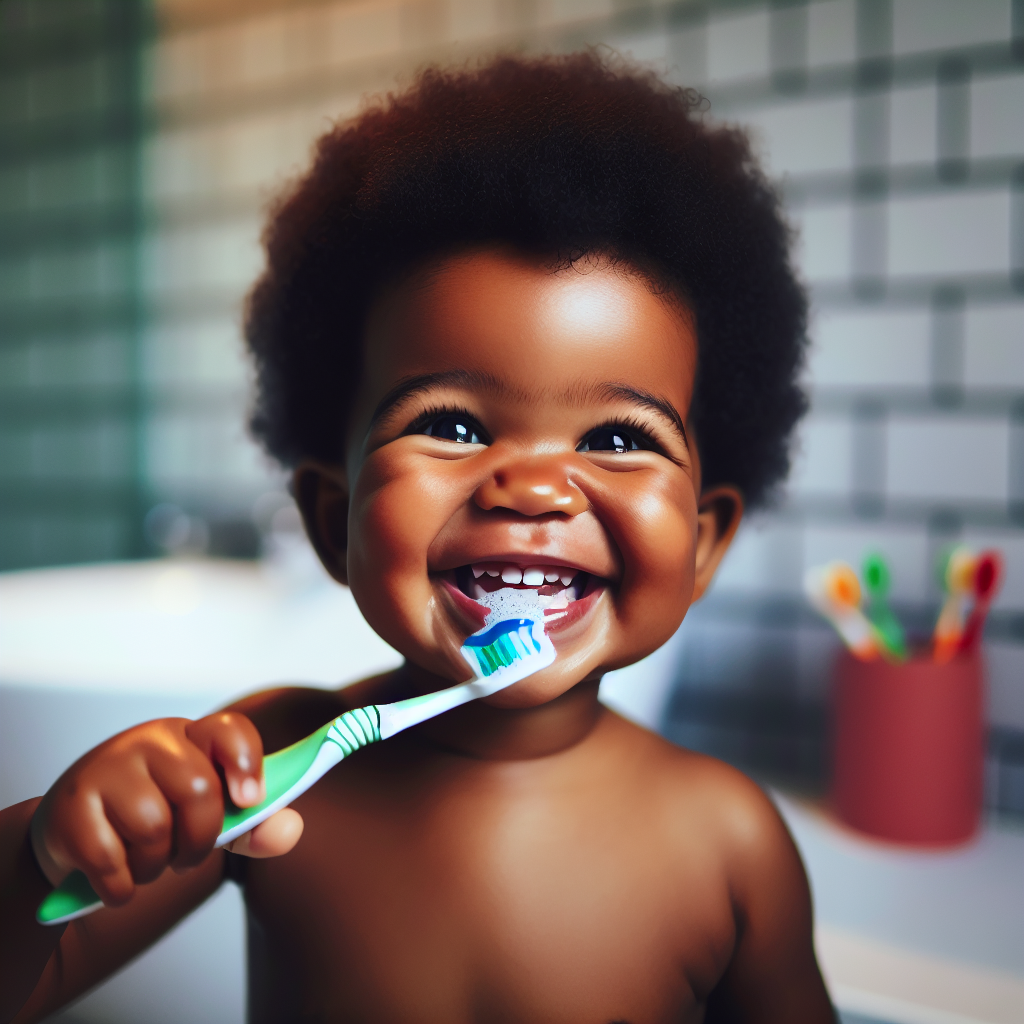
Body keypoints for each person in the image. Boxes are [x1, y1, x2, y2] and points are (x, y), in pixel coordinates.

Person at [1, 52, 835, 1023]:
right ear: (330, 516)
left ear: (701, 542)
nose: (529, 485)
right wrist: (40, 859)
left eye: (616, 438)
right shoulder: (276, 765)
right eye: (453, 424)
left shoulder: (729, 841)